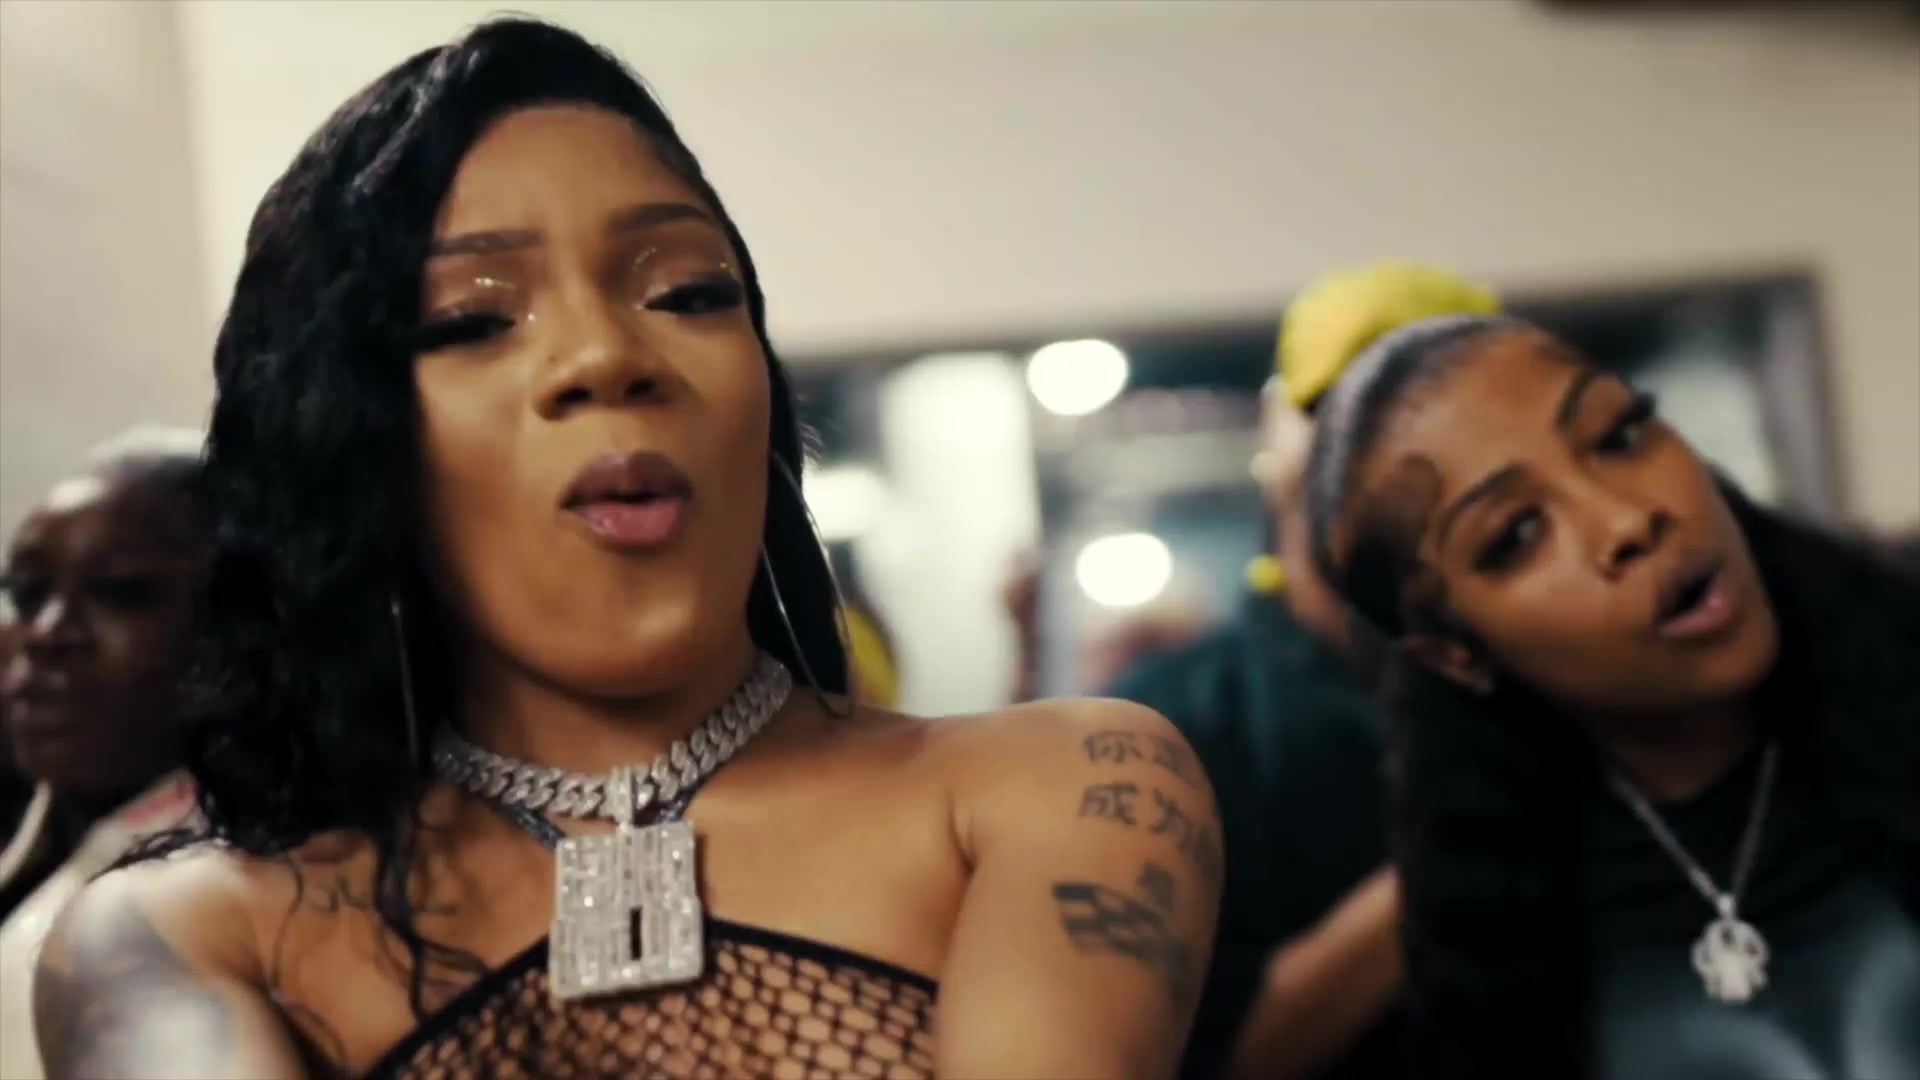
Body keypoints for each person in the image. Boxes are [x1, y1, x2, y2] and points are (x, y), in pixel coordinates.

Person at [31, 19, 1219, 1080]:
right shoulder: (189, 934)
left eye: (687, 293)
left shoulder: (1060, 788)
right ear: (341, 436)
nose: (607, 357)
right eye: (474, 319)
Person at [1303, 313, 1920, 1077]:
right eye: (1517, 534)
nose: (1629, 520)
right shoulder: (1497, 925)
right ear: (1457, 654)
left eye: (1619, 436)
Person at [1108, 261, 1497, 1080]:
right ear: (1277, 435)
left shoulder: (1563, 681)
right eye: (1344, 409)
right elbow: (1184, 1057)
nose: (1383, 450)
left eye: (1437, 415)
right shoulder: (1163, 725)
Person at [0, 428, 204, 1079]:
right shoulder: (32, 836)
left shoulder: (231, 908)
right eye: (27, 594)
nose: (46, 636)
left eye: (122, 592)